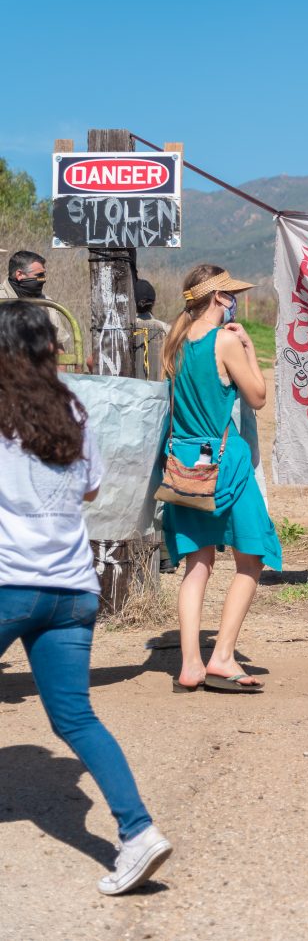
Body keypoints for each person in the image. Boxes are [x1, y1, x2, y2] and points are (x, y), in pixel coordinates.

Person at [0, 301, 171, 895]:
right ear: (50, 348)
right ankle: (138, 831)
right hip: (73, 589)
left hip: (8, 585)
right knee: (77, 718)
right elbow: (93, 487)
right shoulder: (71, 407)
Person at [161, 264, 282, 694]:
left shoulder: (174, 341)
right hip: (225, 464)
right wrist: (248, 346)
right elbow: (259, 397)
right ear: (218, 298)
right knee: (253, 556)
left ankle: (190, 664)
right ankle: (223, 656)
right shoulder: (226, 340)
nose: (233, 299)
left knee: (198, 564)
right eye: (229, 294)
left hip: (183, 465)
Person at [0, 250, 72, 353]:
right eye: (39, 275)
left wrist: (59, 369)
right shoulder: (2, 298)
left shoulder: (47, 303)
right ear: (19, 274)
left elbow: (58, 348)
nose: (43, 280)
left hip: (38, 366)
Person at [133, 277, 170, 382]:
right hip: (159, 393)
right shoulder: (166, 329)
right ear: (153, 302)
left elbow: (91, 362)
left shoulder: (123, 330)